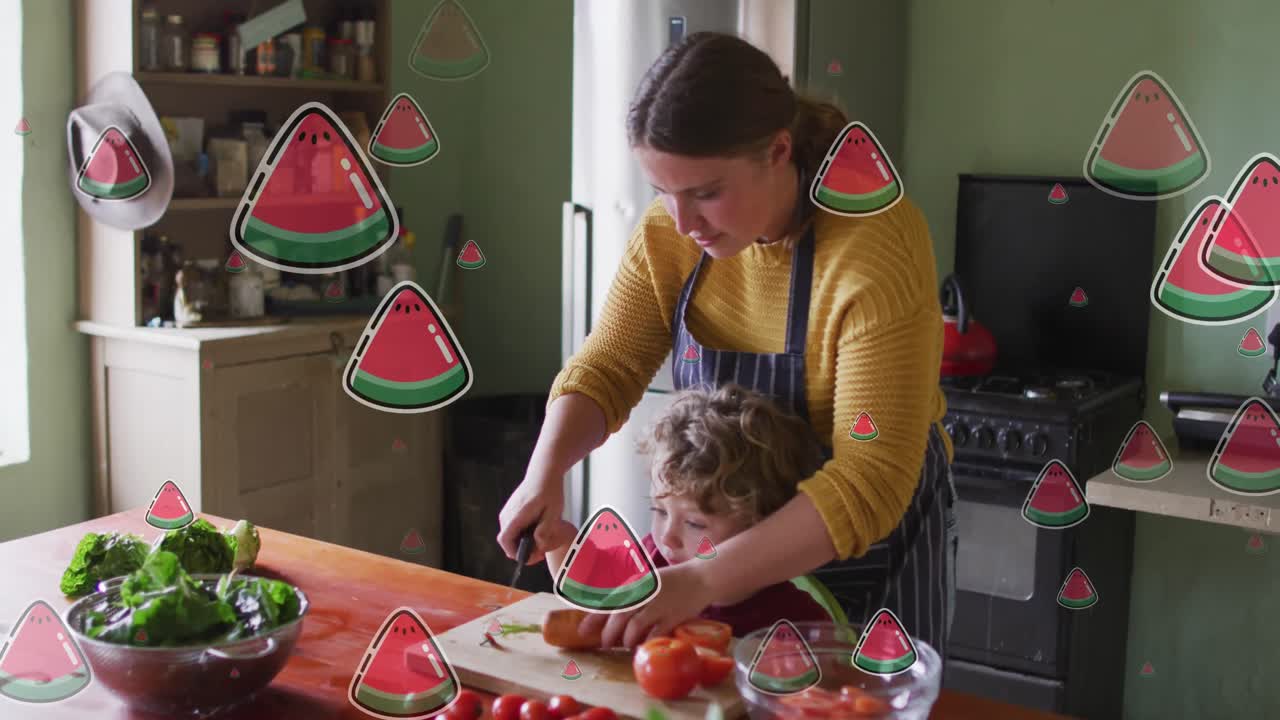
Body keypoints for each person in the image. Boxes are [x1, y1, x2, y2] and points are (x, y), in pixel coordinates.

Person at [498, 31, 957, 661]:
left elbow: (868, 479)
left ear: (778, 150)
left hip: (867, 554)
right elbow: (609, 364)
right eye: (664, 191)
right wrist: (543, 472)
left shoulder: (874, 242)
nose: (682, 221)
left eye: (706, 192)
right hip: (715, 554)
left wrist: (699, 580)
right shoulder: (675, 230)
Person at [545, 383, 835, 637]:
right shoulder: (652, 561)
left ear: (762, 526)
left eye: (695, 524)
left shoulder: (797, 620)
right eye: (658, 511)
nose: (667, 537)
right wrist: (557, 540)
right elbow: (591, 588)